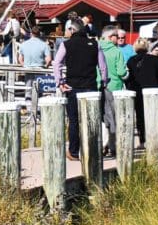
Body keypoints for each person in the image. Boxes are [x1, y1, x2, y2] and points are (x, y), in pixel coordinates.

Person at [52, 19, 107, 161]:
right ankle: (92, 151)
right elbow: (103, 67)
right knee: (91, 120)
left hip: (73, 87)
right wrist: (104, 82)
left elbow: (56, 63)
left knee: (74, 121)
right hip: (91, 87)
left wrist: (60, 82)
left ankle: (74, 152)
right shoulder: (95, 44)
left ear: (72, 30)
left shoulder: (66, 44)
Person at [125, 37, 158, 147]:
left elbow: (128, 79)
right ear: (147, 47)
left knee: (140, 117)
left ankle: (143, 141)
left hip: (137, 92)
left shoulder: (131, 60)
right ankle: (154, 139)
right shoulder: (154, 60)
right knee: (153, 116)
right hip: (152, 91)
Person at [99, 25, 128, 158]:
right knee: (114, 118)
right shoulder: (116, 51)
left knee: (103, 117)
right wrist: (127, 73)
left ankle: (102, 145)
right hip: (114, 86)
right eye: (116, 35)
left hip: (100, 86)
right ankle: (113, 146)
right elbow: (121, 72)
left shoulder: (97, 48)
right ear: (111, 37)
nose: (118, 38)